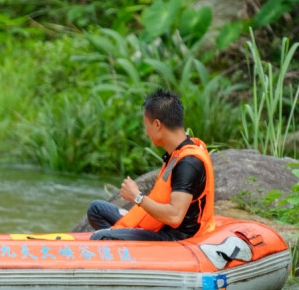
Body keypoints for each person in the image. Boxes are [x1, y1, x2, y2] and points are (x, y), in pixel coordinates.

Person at [87, 89, 216, 242]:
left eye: (146, 124)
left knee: (100, 237)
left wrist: (137, 197)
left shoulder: (188, 163)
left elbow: (175, 216)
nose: (146, 131)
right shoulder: (176, 153)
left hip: (174, 237)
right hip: (158, 224)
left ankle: (124, 247)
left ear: (157, 124)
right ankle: (126, 238)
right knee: (96, 209)